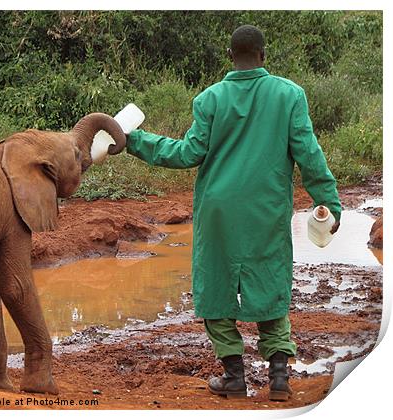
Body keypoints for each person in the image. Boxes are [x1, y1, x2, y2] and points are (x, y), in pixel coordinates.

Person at [124, 25, 341, 401]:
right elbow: (308, 153)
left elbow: (185, 154)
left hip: (218, 213)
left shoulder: (210, 99)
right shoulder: (290, 95)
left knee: (217, 287)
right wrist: (329, 202)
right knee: (271, 285)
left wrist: (134, 140)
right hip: (267, 211)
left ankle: (234, 376)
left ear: (229, 56)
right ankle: (278, 381)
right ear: (263, 55)